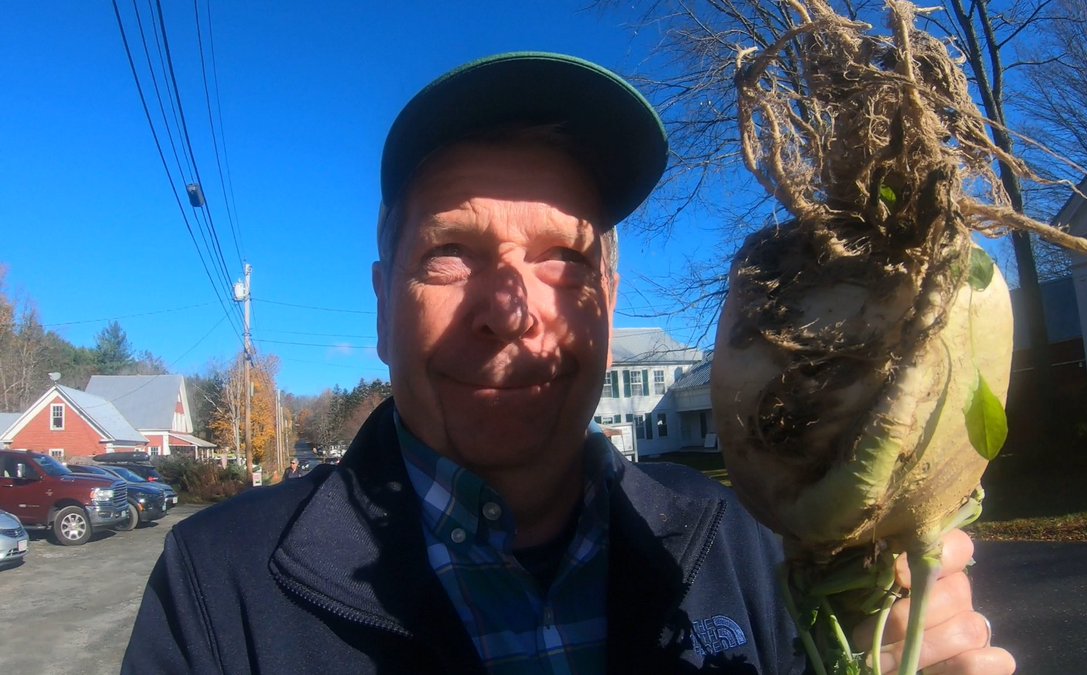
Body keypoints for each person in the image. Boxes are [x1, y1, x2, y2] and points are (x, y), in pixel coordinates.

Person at [122, 53, 1015, 674]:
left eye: (564, 260)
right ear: (382, 304)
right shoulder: (217, 591)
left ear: (611, 300)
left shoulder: (757, 546)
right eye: (452, 253)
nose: (511, 310)